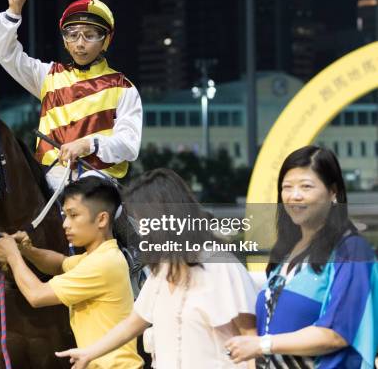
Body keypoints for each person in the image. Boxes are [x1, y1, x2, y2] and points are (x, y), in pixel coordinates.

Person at [56, 168, 258, 368]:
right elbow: (131, 325)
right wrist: (89, 353)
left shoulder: (221, 266)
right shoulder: (161, 271)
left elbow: (250, 338)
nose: (141, 231)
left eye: (144, 221)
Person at [225, 146, 378, 368]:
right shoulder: (286, 251)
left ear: (333, 192)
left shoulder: (352, 250)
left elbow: (337, 332)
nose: (294, 195)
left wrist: (262, 345)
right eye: (287, 187)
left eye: (306, 186)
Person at [0, 0, 142, 190]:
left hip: (98, 182)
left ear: (106, 40)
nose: (80, 43)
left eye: (90, 35)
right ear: (65, 40)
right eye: (73, 35)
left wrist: (88, 144)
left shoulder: (124, 88)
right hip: (46, 180)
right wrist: (13, 12)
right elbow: (6, 54)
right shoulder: (48, 76)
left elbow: (129, 145)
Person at [0, 177, 144, 368]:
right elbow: (59, 264)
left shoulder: (102, 263)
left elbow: (36, 295)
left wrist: (12, 255)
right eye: (65, 215)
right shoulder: (99, 257)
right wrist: (26, 250)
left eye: (73, 215)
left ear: (102, 219)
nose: (65, 224)